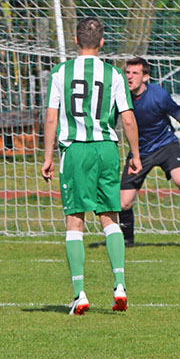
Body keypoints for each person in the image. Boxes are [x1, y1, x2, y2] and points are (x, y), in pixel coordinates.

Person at [41, 17, 142, 315]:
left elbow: (51, 117)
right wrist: (135, 153)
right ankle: (120, 284)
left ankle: (79, 293)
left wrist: (48, 156)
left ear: (75, 40)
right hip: (107, 149)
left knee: (75, 220)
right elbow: (127, 118)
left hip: (76, 150)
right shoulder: (114, 74)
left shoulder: (61, 72)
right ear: (101, 41)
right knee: (111, 217)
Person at [119, 57, 180, 245]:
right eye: (127, 73)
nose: (129, 77)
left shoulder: (158, 95)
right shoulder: (121, 96)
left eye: (135, 73)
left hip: (166, 145)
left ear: (145, 77)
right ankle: (128, 241)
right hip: (140, 152)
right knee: (124, 203)